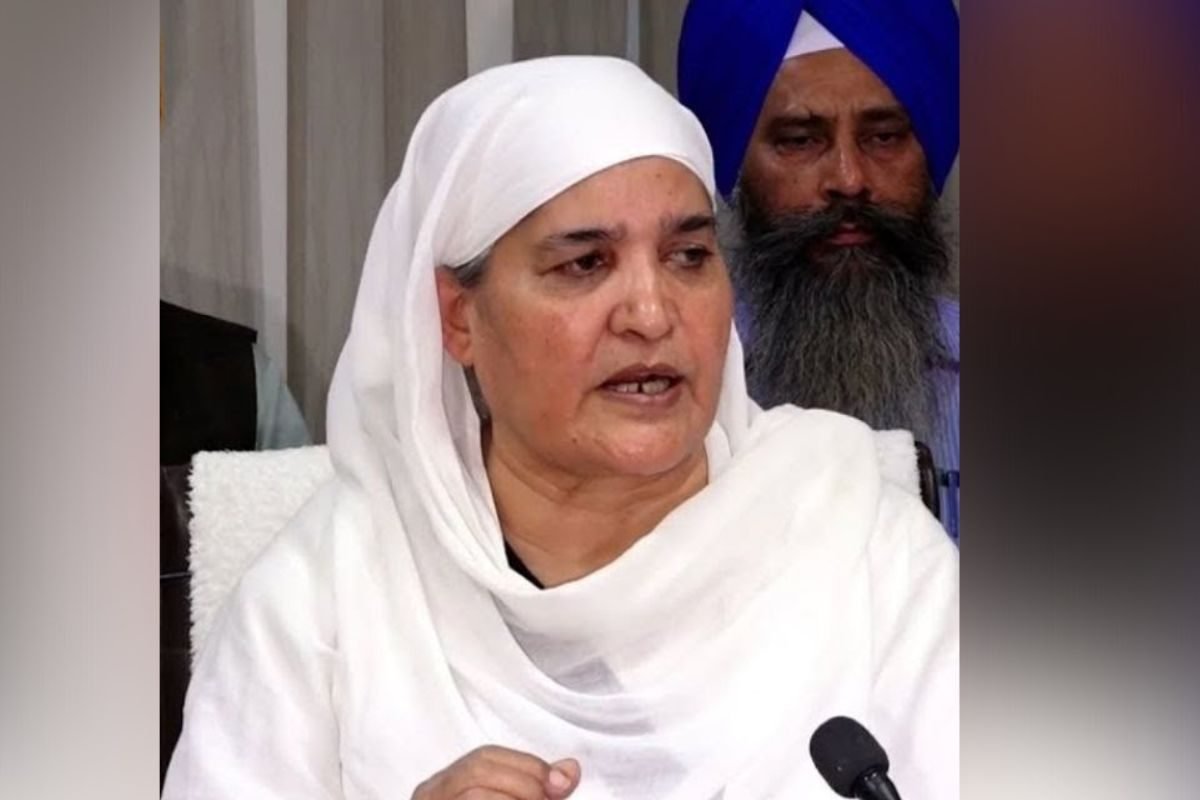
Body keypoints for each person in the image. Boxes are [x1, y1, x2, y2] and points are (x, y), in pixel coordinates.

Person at [162, 56, 957, 799]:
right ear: (458, 318)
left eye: (688, 255)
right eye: (584, 264)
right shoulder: (327, 595)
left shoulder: (861, 541)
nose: (651, 314)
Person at [677, 0, 961, 537]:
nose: (849, 179)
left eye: (884, 137)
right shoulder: (675, 382)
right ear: (735, 166)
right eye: (800, 141)